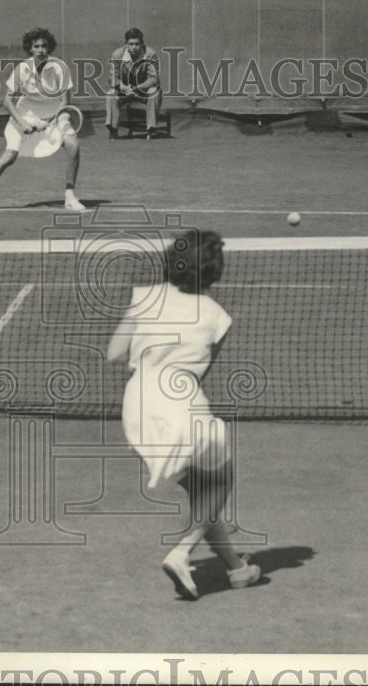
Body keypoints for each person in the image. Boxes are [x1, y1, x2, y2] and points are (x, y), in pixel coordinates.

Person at [107, 230, 261, 600]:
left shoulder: (144, 297)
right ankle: (181, 552)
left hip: (137, 406)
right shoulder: (218, 317)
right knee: (221, 478)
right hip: (179, 401)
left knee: (201, 488)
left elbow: (114, 353)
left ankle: (236, 569)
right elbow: (200, 373)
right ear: (213, 272)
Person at [0, 27, 83, 212]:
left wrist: (53, 119)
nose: (41, 50)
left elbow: (65, 101)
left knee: (73, 145)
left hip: (54, 115)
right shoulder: (22, 69)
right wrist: (23, 123)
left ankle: (70, 197)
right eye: (36, 46)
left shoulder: (59, 68)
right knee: (10, 155)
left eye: (44, 46)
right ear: (30, 49)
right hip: (24, 115)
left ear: (49, 48)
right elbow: (7, 101)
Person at [104, 27, 163, 139]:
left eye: (137, 44)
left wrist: (137, 88)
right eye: (131, 44)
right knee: (111, 94)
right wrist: (122, 86)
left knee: (155, 91)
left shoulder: (150, 54)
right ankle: (113, 130)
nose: (134, 47)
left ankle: (151, 130)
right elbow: (112, 77)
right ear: (126, 44)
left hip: (143, 91)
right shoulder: (117, 55)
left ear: (142, 43)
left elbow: (154, 79)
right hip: (124, 91)